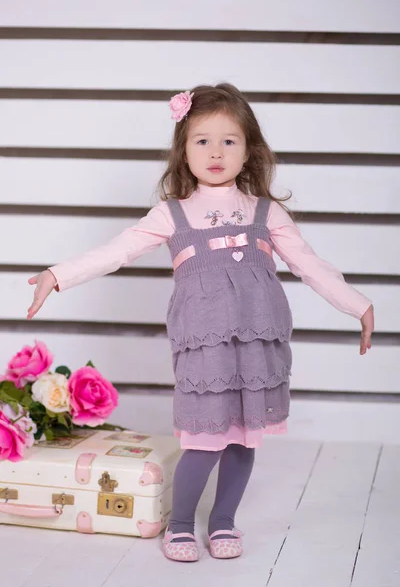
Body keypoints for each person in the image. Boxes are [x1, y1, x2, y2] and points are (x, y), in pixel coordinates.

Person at [27, 83, 374, 562]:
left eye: (229, 140)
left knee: (244, 440)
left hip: (255, 342)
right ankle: (183, 522)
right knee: (205, 440)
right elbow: (116, 251)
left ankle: (224, 520)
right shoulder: (172, 215)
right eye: (202, 140)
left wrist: (356, 304)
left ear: (249, 149)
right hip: (205, 346)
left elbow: (310, 264)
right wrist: (56, 275)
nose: (215, 152)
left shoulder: (265, 213)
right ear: (183, 149)